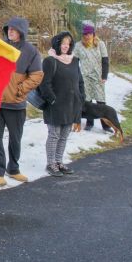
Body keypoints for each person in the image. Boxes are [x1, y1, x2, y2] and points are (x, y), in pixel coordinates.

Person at [0, 16, 43, 187]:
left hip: (16, 105)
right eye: (8, 29)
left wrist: (20, 90)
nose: (10, 32)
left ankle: (13, 168)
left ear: (22, 32)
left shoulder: (30, 51)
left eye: (14, 29)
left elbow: (37, 75)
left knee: (15, 139)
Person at [38, 31, 84, 176]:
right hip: (55, 105)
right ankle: (50, 164)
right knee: (54, 135)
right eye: (63, 43)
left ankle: (59, 162)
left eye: (68, 43)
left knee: (64, 135)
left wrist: (81, 97)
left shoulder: (75, 60)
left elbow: (80, 81)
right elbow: (44, 84)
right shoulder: (50, 61)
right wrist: (52, 100)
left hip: (71, 104)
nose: (65, 46)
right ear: (57, 43)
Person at [74, 24, 111, 132]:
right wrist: (76, 76)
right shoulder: (79, 45)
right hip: (85, 77)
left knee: (101, 101)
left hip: (98, 76)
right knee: (87, 101)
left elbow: (105, 60)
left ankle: (106, 125)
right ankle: (90, 123)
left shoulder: (100, 44)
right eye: (85, 34)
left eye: (89, 33)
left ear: (93, 34)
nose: (87, 36)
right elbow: (75, 62)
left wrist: (104, 75)